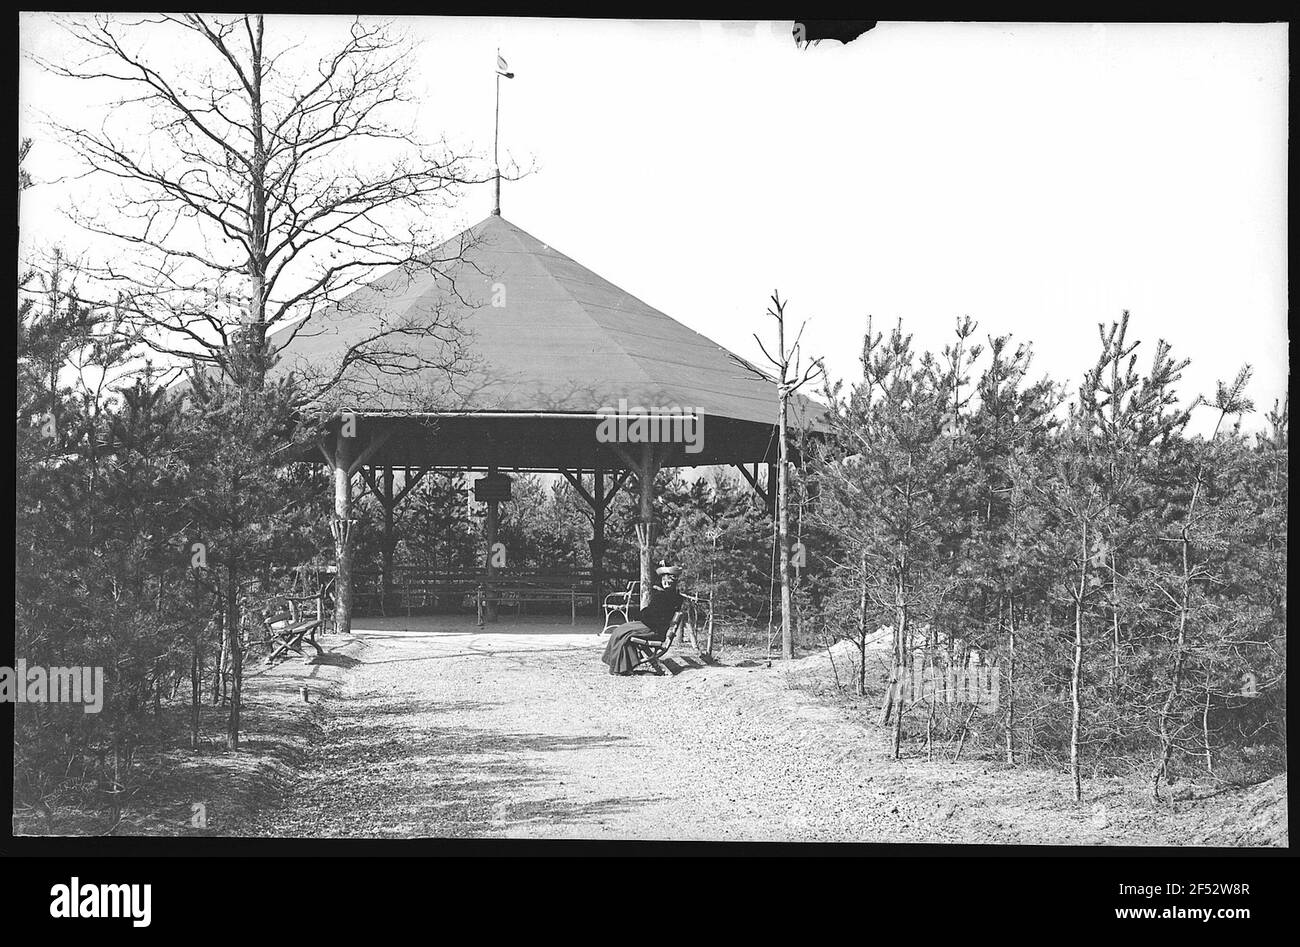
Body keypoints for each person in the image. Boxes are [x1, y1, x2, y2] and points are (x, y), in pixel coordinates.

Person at [601, 561, 685, 676]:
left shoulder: (663, 596)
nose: (664, 582)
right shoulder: (673, 596)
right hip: (655, 626)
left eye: (666, 580)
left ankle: (622, 667)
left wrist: (641, 614)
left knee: (621, 632)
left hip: (654, 630)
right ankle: (623, 665)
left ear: (669, 581)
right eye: (663, 579)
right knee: (621, 630)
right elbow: (653, 614)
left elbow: (651, 615)